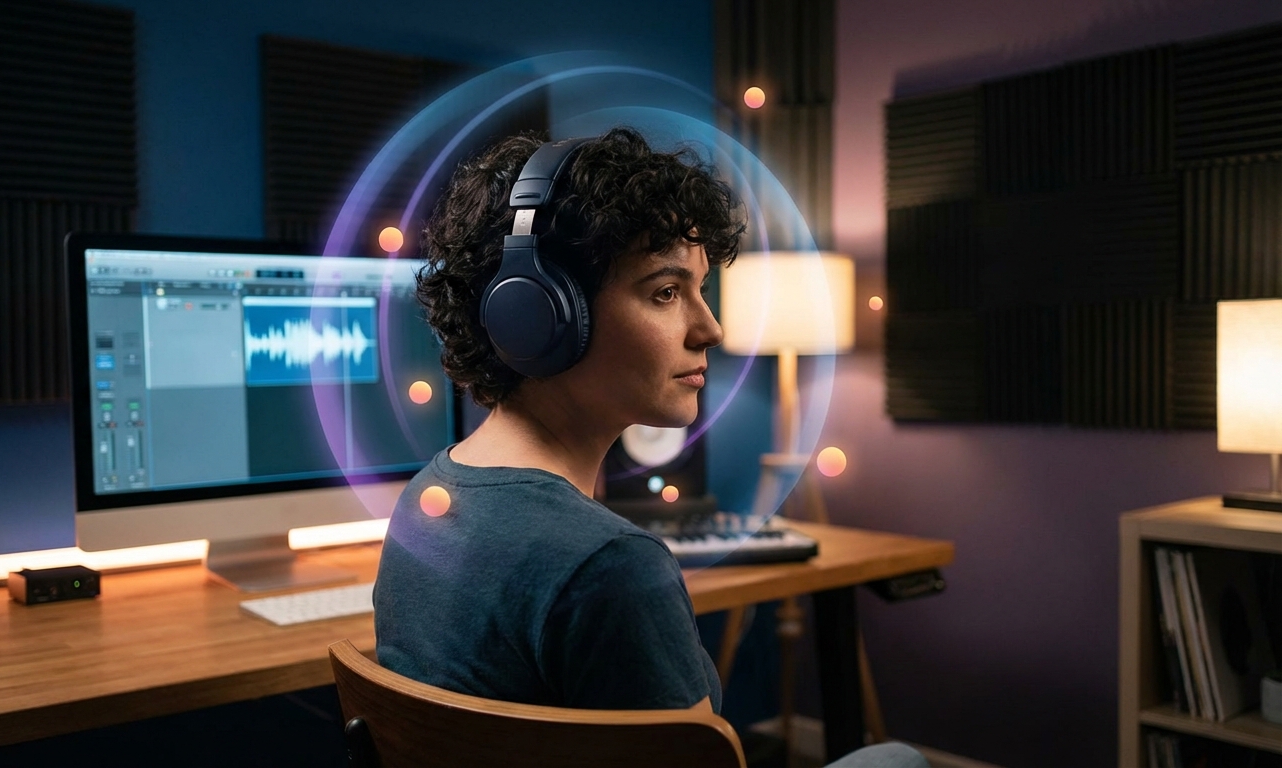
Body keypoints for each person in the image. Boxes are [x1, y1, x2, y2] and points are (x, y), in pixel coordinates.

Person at [372, 127, 928, 768]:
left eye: (702, 290)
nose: (710, 328)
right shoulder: (610, 567)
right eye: (666, 293)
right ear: (539, 317)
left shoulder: (426, 501)